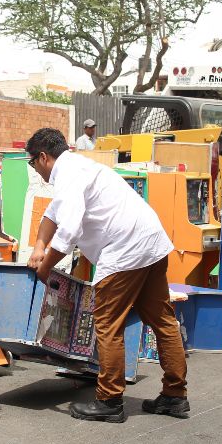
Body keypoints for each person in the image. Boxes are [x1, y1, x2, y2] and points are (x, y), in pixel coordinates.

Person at [25, 127, 189, 423]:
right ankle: (175, 396)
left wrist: (46, 267)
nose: (35, 168)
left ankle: (110, 400)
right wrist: (38, 246)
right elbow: (52, 213)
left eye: (32, 162)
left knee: (107, 325)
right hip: (151, 242)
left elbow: (69, 230)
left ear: (43, 157)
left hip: (124, 251)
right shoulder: (80, 166)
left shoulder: (68, 175)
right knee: (162, 321)